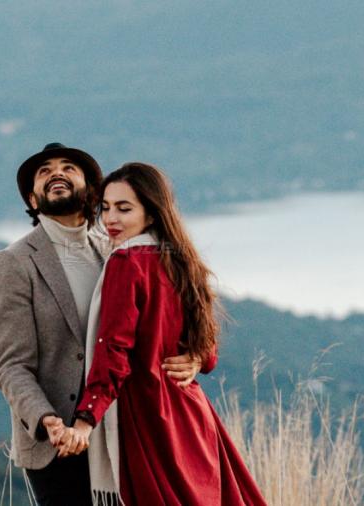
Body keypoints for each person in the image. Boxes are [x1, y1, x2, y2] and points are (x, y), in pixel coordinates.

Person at [0, 144, 204, 506]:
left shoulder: (120, 249)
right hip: (60, 443)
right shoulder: (15, 264)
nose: (56, 173)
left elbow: (178, 314)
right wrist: (47, 420)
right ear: (33, 201)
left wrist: (195, 354)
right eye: (44, 172)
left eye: (69, 168)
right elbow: (10, 365)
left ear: (91, 192)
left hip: (127, 432)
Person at [54, 162, 267, 506]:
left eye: (124, 209)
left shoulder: (126, 262)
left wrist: (85, 419)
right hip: (190, 413)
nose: (111, 219)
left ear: (151, 214)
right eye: (105, 208)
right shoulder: (180, 259)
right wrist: (196, 359)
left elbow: (114, 351)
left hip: (150, 414)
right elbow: (208, 351)